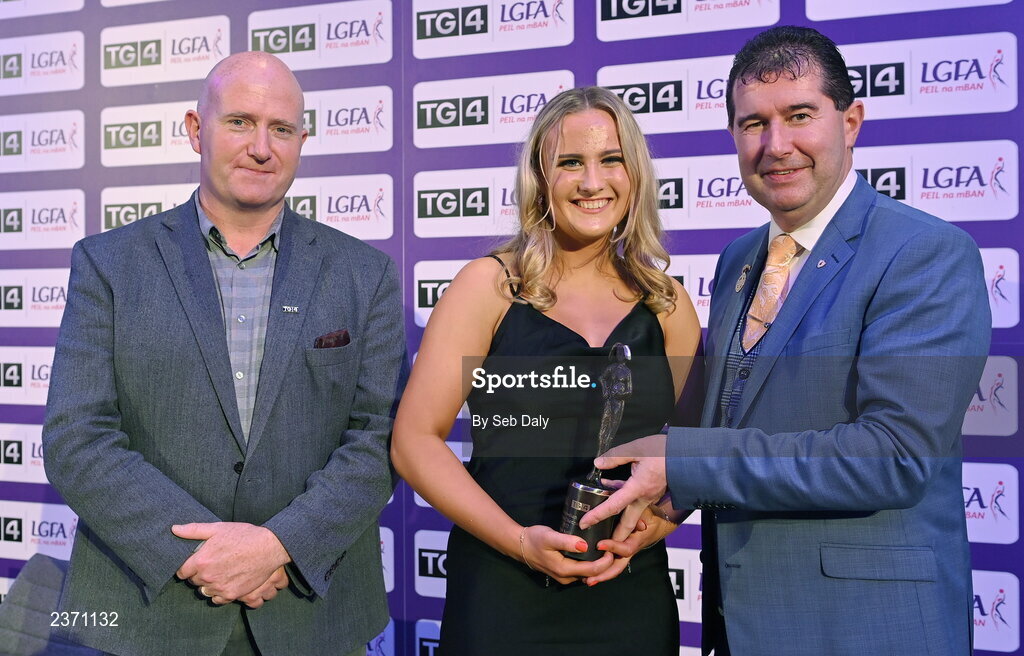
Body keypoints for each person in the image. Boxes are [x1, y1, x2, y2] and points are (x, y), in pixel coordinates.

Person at [580, 26, 991, 656]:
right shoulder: (739, 259)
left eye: (800, 116)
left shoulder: (924, 253)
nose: (776, 146)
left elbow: (893, 455)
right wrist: (671, 498)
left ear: (850, 121)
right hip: (745, 626)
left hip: (868, 630)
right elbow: (732, 416)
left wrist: (684, 463)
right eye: (752, 124)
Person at [42, 52, 403, 656]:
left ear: (301, 140)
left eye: (281, 129)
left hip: (311, 614)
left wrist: (278, 545)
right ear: (194, 129)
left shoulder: (364, 275)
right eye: (239, 121)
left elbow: (380, 436)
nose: (261, 146)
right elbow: (78, 437)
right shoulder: (108, 264)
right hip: (144, 615)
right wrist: (202, 554)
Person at [391, 86, 701, 655]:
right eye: (570, 163)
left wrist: (655, 528)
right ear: (540, 176)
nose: (591, 182)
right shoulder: (489, 288)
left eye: (611, 160)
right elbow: (414, 442)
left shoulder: (669, 305)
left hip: (630, 597)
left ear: (635, 174)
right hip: (504, 591)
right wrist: (518, 542)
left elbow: (688, 455)